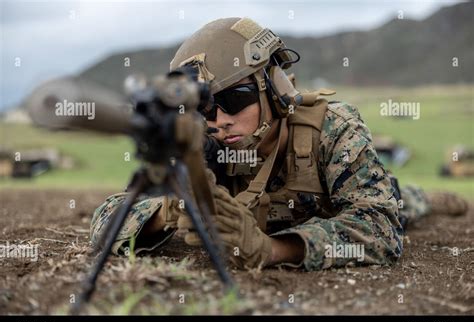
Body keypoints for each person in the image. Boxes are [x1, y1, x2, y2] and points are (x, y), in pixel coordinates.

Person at [90, 17, 468, 271]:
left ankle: (429, 198)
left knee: (405, 202)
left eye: (235, 98)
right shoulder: (202, 141)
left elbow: (380, 229)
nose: (219, 119)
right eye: (204, 106)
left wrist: (272, 250)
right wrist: (165, 212)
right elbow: (107, 217)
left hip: (342, 202)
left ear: (274, 88)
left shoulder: (333, 129)